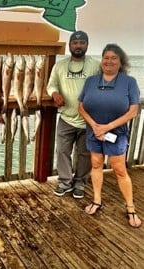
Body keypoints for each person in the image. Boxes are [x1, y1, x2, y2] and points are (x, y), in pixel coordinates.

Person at [78, 43, 142, 228]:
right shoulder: (91, 81)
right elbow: (81, 106)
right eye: (106, 57)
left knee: (119, 170)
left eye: (114, 58)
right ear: (101, 61)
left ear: (121, 61)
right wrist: (95, 126)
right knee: (96, 165)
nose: (109, 61)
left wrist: (107, 127)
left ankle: (130, 207)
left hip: (116, 133)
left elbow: (133, 111)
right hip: (94, 132)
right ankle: (97, 200)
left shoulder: (129, 82)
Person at [47, 31, 100, 198]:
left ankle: (80, 183)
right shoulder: (60, 66)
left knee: (84, 154)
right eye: (75, 43)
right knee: (62, 151)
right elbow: (51, 85)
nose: (78, 46)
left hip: (88, 120)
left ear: (87, 45)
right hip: (66, 118)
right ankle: (64, 182)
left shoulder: (95, 65)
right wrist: (55, 94)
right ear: (70, 45)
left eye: (82, 43)